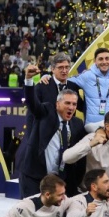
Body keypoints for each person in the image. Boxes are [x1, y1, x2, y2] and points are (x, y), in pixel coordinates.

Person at [21, 65, 86, 197]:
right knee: (32, 209)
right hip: (35, 177)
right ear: (57, 104)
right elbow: (32, 103)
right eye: (67, 103)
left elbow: (80, 156)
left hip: (60, 181)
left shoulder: (77, 124)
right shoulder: (47, 112)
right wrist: (28, 79)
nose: (71, 107)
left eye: (74, 104)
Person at [67, 47, 109, 131]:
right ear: (95, 61)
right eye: (100, 59)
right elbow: (66, 82)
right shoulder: (87, 76)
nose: (104, 62)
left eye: (107, 58)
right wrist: (47, 77)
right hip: (92, 127)